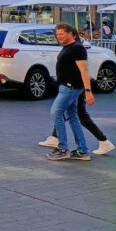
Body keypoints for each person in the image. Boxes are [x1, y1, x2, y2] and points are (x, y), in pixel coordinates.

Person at [46, 23, 94, 161]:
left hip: (70, 88)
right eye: (57, 35)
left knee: (56, 112)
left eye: (61, 34)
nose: (58, 37)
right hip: (66, 87)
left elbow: (84, 70)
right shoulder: (69, 47)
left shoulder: (77, 48)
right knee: (73, 118)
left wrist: (88, 91)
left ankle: (62, 149)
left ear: (70, 33)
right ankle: (82, 151)